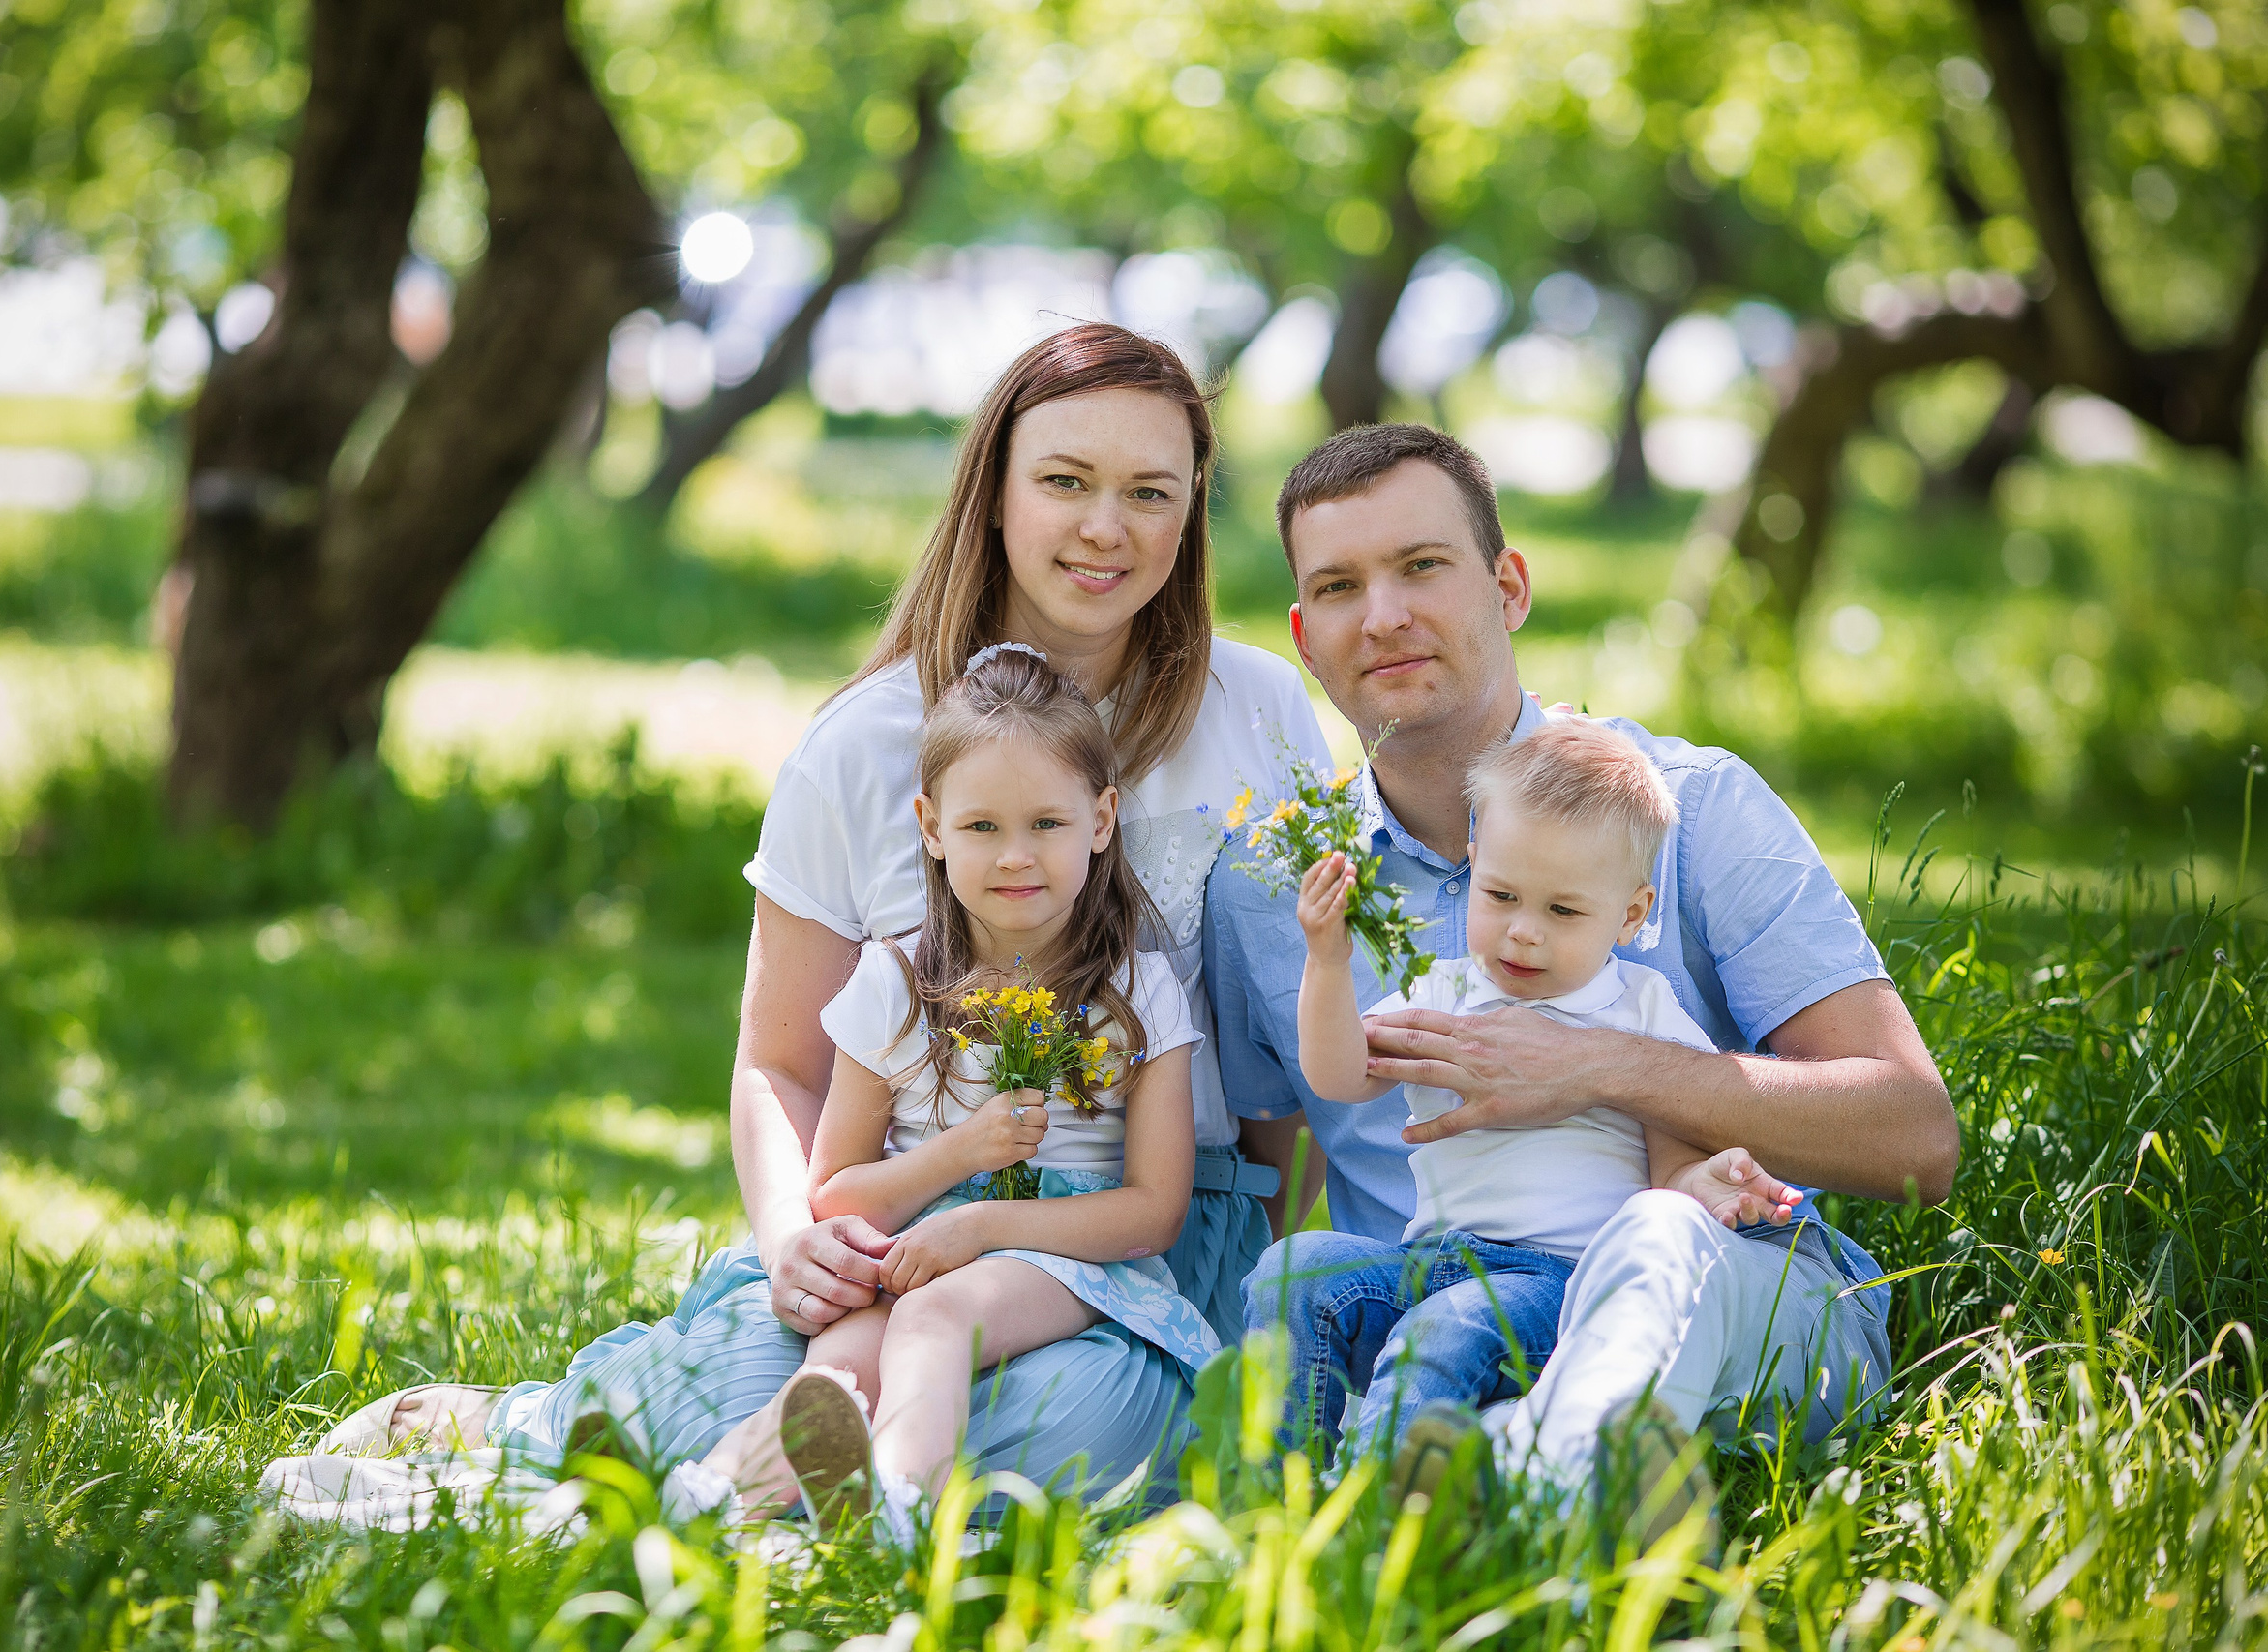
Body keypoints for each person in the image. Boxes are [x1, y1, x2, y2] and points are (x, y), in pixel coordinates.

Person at [321, 324, 1322, 1505]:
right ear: (993, 494)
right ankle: (547, 1421)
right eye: (1064, 481)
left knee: (1079, 1426)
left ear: (1192, 511)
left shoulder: (1257, 709)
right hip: (902, 1222)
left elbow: (1288, 1044)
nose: (1106, 527)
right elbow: (781, 1062)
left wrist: (1274, 1274)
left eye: (1150, 493)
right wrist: (801, 1239)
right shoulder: (864, 743)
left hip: (1143, 1235)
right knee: (758, 1377)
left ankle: (814, 1476)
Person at [1216, 423, 1956, 1533]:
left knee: (1657, 1238)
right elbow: (1260, 1190)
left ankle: (1530, 1486)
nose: (1383, 616)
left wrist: (1600, 1066)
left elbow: (1914, 1139)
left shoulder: (1688, 810)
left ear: (1509, 586)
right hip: (1435, 1315)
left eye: (1422, 566)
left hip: (1722, 1294)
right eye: (1338, 586)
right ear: (1303, 639)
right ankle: (1405, 1501)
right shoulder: (1272, 886)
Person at [659, 647, 1219, 1540]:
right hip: (914, 1235)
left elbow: (1152, 1212)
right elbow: (836, 1191)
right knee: (840, 1355)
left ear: (1102, 819)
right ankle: (720, 1503)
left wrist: (984, 1222)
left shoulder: (1137, 991)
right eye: (982, 827)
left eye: (1046, 822)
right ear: (930, 827)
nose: (1016, 856)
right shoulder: (893, 980)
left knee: (933, 1317)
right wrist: (960, 1156)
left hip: (1065, 1254)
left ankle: (897, 1523)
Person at [1273, 715, 1801, 1475]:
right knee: (1296, 1273)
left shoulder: (1640, 1014)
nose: (1523, 933)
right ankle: (1275, 1492)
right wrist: (1327, 961)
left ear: (1630, 913)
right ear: (1473, 859)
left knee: (1443, 1332)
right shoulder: (1445, 993)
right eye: (1502, 894)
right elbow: (1338, 1073)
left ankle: (1375, 1520)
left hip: (1561, 1279)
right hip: (1430, 1257)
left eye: (1562, 910)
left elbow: (1671, 1165)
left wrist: (1712, 1185)